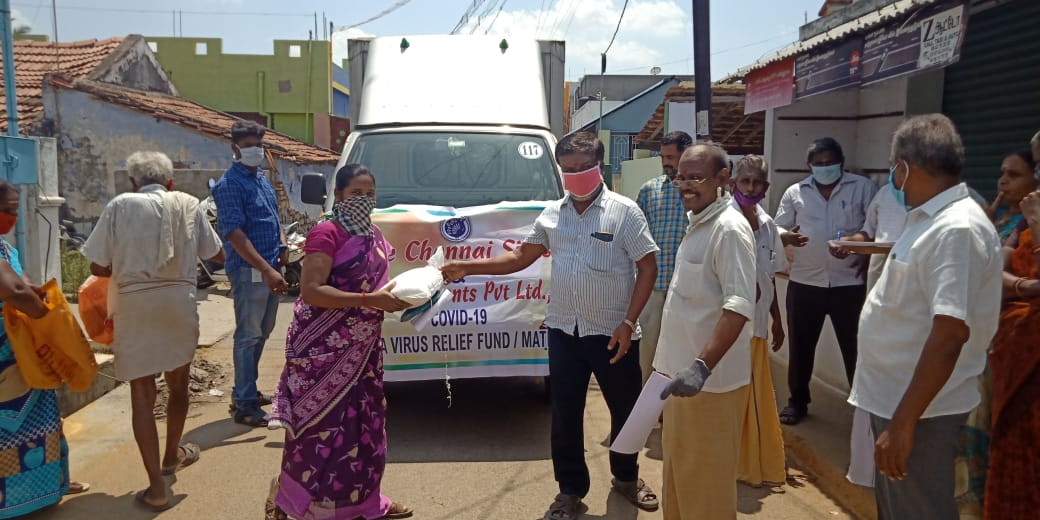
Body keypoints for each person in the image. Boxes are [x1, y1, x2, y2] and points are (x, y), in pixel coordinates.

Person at [441, 131, 660, 520]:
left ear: (600, 167)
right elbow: (519, 258)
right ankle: (571, 490)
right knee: (565, 414)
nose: (575, 176)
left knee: (625, 412)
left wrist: (629, 322)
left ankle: (626, 478)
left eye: (582, 168)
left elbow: (647, 267)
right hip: (564, 331)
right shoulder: (552, 214)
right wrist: (467, 266)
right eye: (567, 170)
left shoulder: (625, 212)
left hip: (614, 334)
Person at [847, 114, 1002, 520]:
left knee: (917, 510)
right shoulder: (929, 220)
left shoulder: (956, 229)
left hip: (922, 412)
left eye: (893, 169)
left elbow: (950, 333)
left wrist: (902, 424)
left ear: (904, 167)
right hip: (900, 403)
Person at [266, 164, 412, 520]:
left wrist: (407, 298)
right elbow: (311, 291)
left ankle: (365, 502)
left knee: (364, 428)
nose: (363, 200)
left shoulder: (373, 236)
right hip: (322, 349)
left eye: (369, 194)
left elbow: (377, 286)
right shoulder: (325, 233)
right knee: (318, 430)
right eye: (355, 194)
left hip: (364, 350)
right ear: (339, 195)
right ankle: (289, 501)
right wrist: (368, 302)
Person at [81, 152, 223, 511]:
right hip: (179, 301)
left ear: (133, 182)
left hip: (135, 305)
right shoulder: (189, 203)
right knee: (179, 382)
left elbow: (98, 263)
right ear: (171, 181)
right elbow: (216, 254)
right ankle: (171, 456)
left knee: (142, 394)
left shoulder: (120, 206)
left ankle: (157, 488)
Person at [655, 142, 756, 519]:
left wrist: (700, 366)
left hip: (710, 385)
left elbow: (739, 306)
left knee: (706, 491)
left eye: (695, 177)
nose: (685, 185)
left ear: (723, 179)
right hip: (679, 381)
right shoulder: (700, 223)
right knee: (681, 480)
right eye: (680, 177)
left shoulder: (729, 229)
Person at [0, 180, 92, 516]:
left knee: (43, 417)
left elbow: (18, 283)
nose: (12, 216)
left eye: (14, 209)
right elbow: (15, 293)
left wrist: (32, 290)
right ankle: (13, 501)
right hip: (7, 357)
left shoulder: (3, 246)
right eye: (7, 209)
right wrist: (48, 319)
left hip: (22, 349)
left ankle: (53, 482)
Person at [774, 137, 878, 425]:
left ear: (841, 162)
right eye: (818, 164)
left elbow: (873, 229)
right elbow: (778, 228)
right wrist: (788, 237)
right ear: (809, 166)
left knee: (856, 348)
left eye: (830, 163)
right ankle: (797, 401)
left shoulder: (862, 189)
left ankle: (863, 406)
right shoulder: (795, 192)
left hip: (850, 284)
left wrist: (858, 248)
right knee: (801, 347)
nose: (824, 168)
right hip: (806, 282)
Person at [212, 120, 289, 428]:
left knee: (263, 331)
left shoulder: (262, 181)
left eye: (258, 145)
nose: (255, 151)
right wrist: (267, 269)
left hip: (271, 266)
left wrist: (283, 246)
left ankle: (246, 390)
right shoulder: (230, 184)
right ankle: (244, 405)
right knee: (248, 335)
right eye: (248, 146)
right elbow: (235, 233)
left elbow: (274, 217)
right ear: (235, 148)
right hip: (250, 272)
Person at [985, 131, 1040, 520]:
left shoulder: (1031, 221)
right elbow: (993, 275)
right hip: (1015, 354)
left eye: (1017, 173)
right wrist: (1028, 287)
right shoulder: (1017, 222)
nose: (1004, 182)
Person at [729, 155, 788, 488]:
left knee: (757, 398)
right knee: (734, 399)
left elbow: (769, 276)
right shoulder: (721, 220)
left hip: (759, 327)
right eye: (745, 181)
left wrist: (778, 318)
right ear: (733, 183)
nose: (751, 188)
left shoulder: (767, 225)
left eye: (758, 183)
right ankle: (731, 462)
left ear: (766, 187)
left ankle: (755, 464)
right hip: (729, 329)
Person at [635, 130, 692, 383]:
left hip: (688, 290)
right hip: (655, 288)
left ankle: (675, 410)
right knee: (648, 351)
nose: (666, 162)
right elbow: (636, 238)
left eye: (671, 156)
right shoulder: (650, 191)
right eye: (663, 156)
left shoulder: (701, 193)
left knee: (683, 352)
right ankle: (644, 410)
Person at [985, 149, 1038, 243]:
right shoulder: (995, 215)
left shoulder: (1035, 221)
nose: (1002, 181)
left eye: (1013, 175)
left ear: (1036, 180)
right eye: (1002, 174)